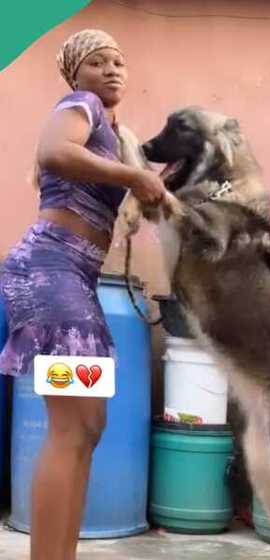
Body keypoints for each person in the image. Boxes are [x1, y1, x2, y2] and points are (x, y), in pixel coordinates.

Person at [0, 29, 167, 560]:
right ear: (77, 74)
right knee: (69, 429)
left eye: (119, 61)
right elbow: (54, 151)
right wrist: (131, 178)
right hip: (49, 272)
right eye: (98, 62)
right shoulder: (82, 105)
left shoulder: (119, 134)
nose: (112, 69)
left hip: (76, 282)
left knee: (87, 427)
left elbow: (138, 185)